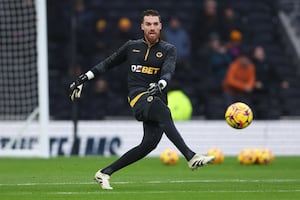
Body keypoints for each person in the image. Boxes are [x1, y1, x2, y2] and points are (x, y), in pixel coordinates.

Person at [69, 9, 214, 190]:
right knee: (163, 112)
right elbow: (107, 63)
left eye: (155, 24)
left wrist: (160, 84)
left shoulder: (168, 49)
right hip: (138, 97)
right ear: (142, 26)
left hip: (156, 96)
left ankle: (104, 172)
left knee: (147, 145)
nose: (152, 28)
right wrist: (83, 78)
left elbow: (168, 71)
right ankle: (191, 156)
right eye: (148, 24)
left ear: (160, 26)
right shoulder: (131, 46)